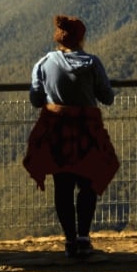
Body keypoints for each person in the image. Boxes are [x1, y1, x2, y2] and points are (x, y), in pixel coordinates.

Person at [21, 14, 120, 258]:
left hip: (57, 131)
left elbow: (35, 100)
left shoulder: (43, 63)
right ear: (81, 39)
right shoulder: (92, 63)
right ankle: (85, 238)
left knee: (62, 186)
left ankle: (69, 241)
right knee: (87, 183)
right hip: (88, 131)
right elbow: (107, 97)